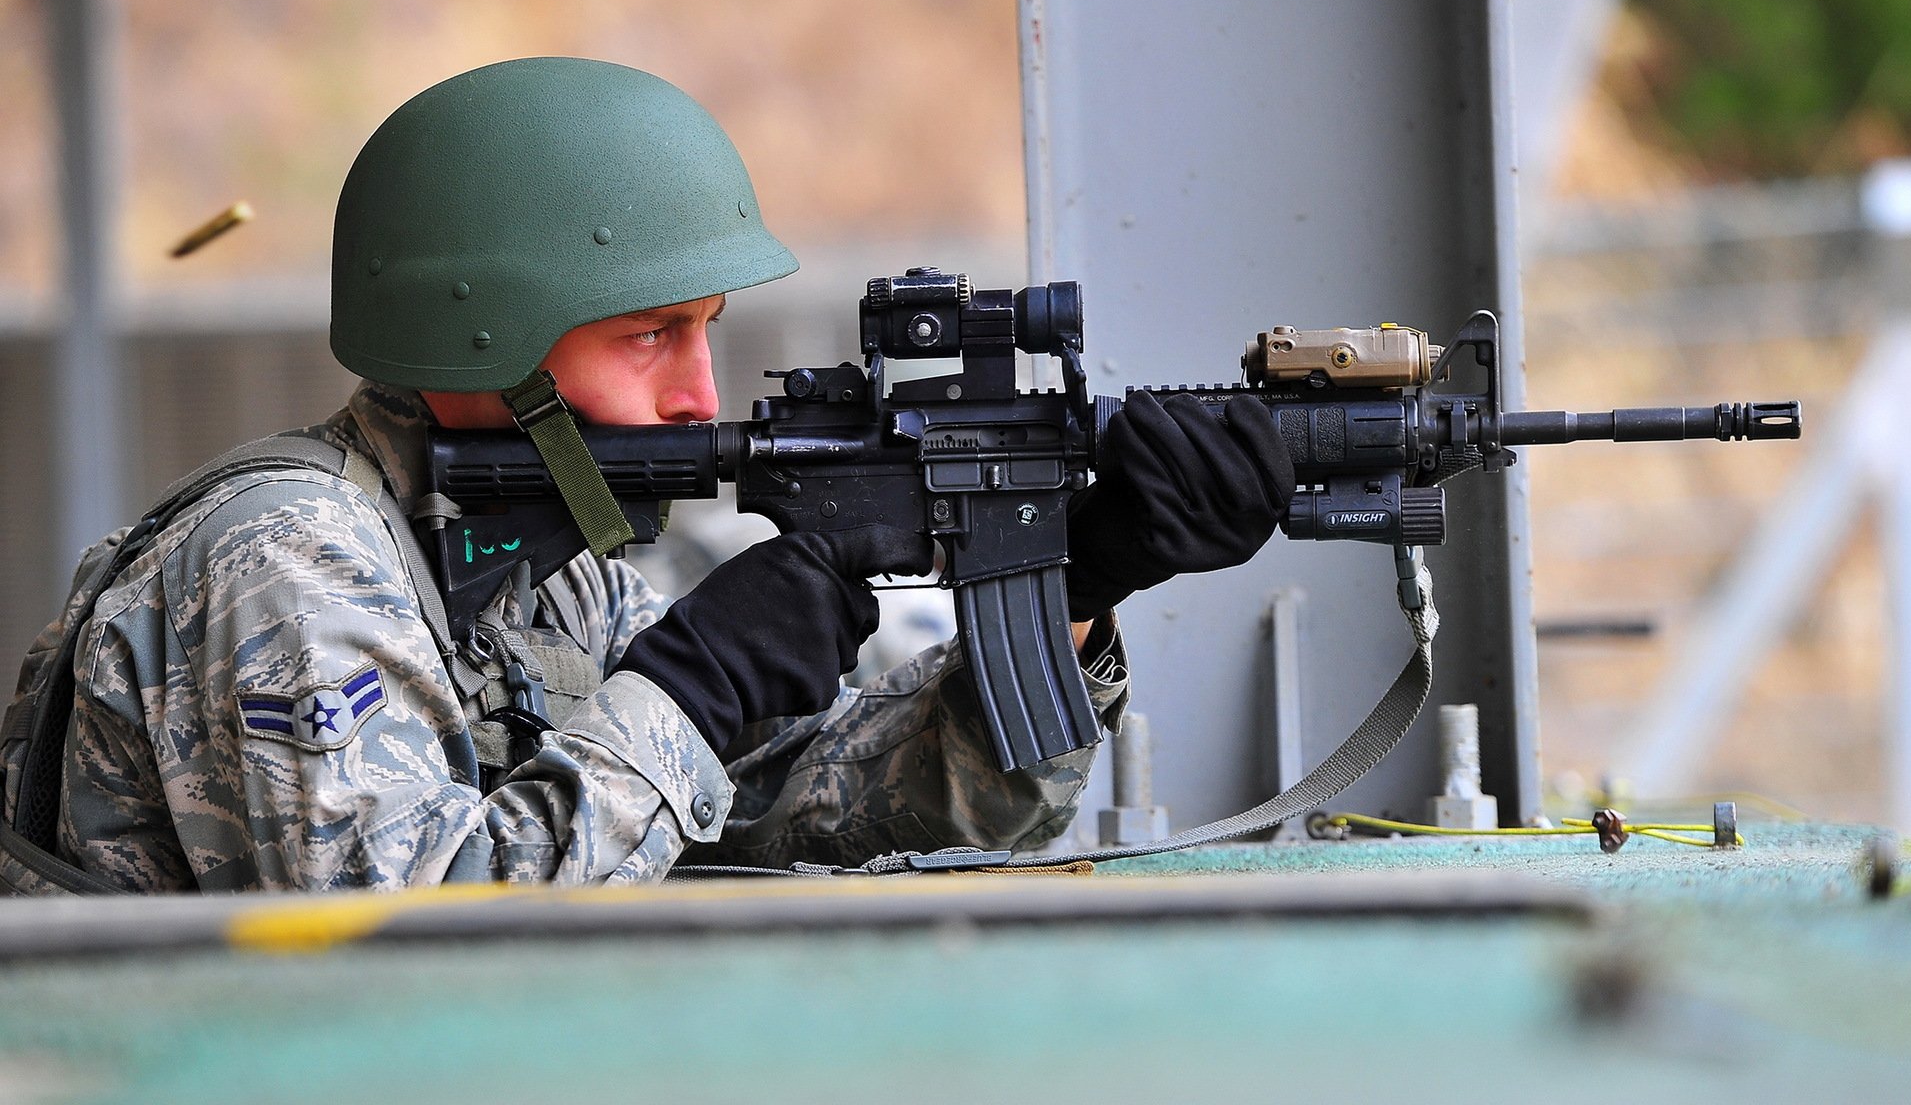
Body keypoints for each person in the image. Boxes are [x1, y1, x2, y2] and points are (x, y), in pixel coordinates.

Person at [2, 57, 1293, 893]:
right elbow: (419, 964)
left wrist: (1077, 584)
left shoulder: (538, 578)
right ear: (482, 341)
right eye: (648, 335)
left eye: (706, 331)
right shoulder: (287, 561)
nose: (698, 395)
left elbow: (807, 814)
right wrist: (696, 684)